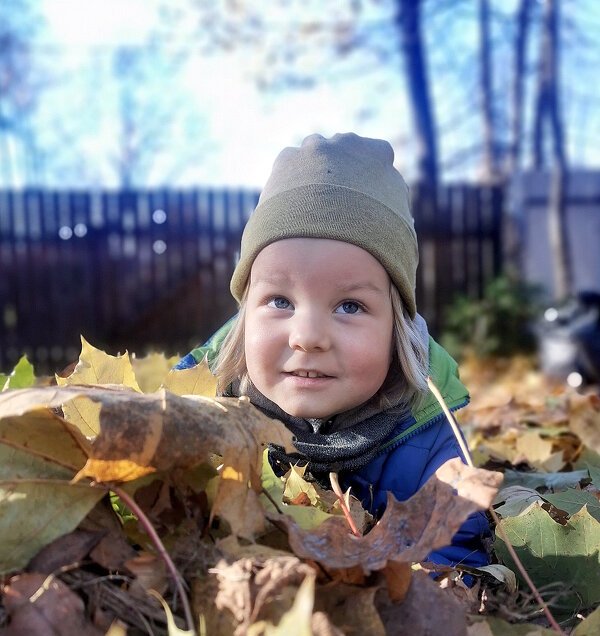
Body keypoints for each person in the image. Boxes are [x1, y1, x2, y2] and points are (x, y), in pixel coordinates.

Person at [175, 132, 491, 572]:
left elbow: (453, 552)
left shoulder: (428, 436)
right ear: (246, 313)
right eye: (280, 301)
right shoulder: (202, 405)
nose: (308, 337)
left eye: (350, 306)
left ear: (396, 328)